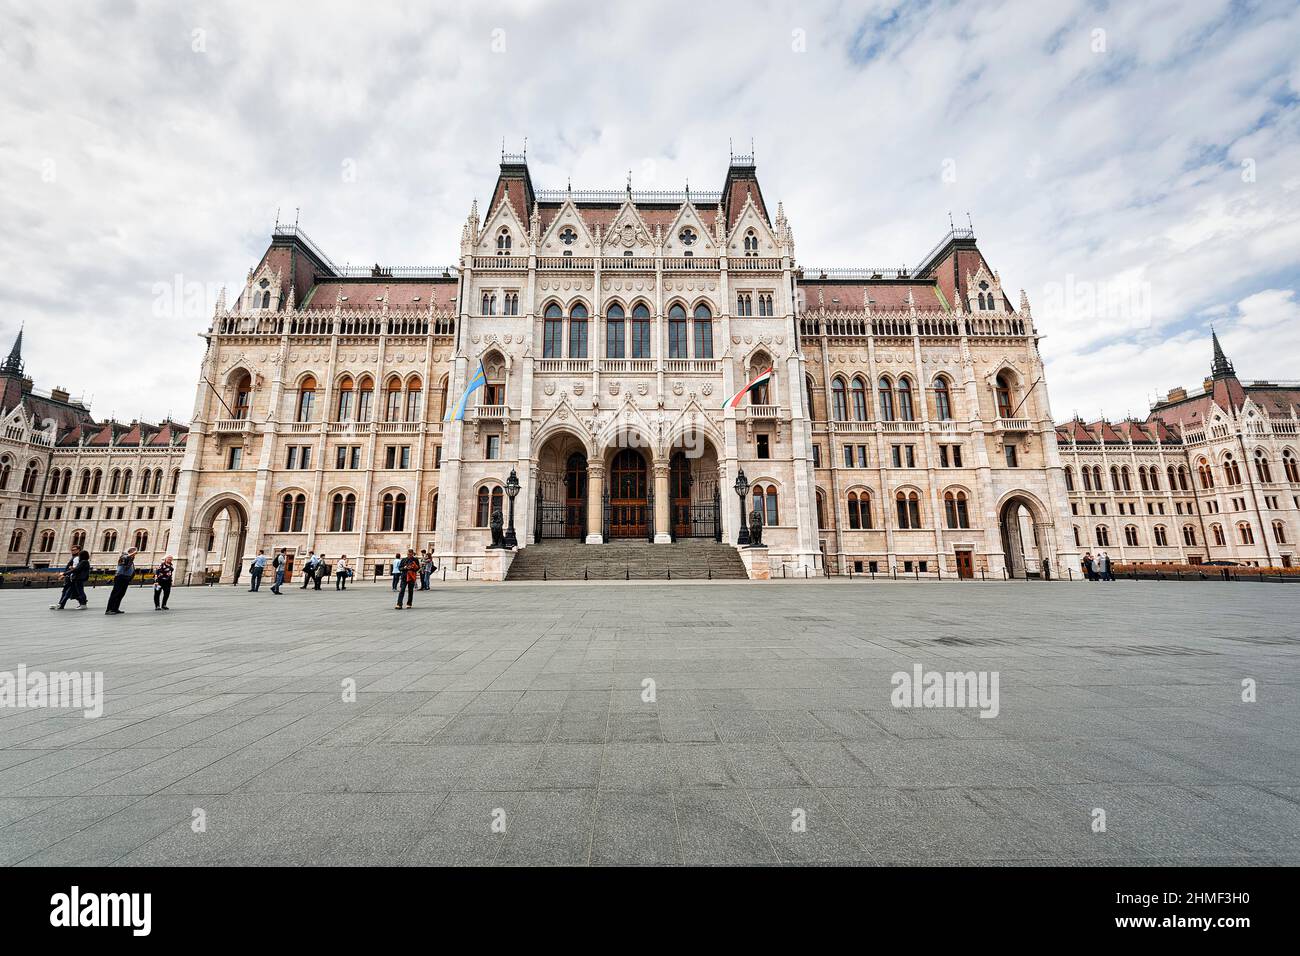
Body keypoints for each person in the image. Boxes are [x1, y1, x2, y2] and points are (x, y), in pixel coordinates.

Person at [51, 545, 91, 610]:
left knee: (77, 592)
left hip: (76, 578)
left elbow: (77, 569)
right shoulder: (79, 560)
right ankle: (61, 604)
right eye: (71, 550)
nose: (72, 551)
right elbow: (77, 568)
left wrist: (64, 574)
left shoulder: (81, 560)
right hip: (74, 578)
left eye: (74, 550)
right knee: (68, 592)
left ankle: (83, 604)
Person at [105, 547, 138, 615]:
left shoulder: (131, 560)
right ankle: (109, 609)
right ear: (130, 552)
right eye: (133, 553)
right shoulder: (123, 556)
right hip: (120, 577)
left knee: (121, 594)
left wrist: (130, 578)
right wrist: (132, 553)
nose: (134, 554)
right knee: (115, 593)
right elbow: (125, 558)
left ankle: (115, 608)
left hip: (126, 578)